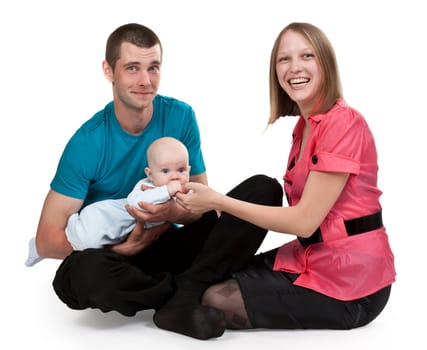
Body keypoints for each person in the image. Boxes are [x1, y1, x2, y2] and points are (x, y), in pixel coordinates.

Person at [33, 23, 283, 340]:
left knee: (264, 190)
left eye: (153, 67)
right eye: (132, 68)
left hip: (168, 241)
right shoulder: (87, 143)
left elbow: (202, 204)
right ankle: (186, 292)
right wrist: (128, 247)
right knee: (79, 277)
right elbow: (46, 241)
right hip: (116, 257)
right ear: (109, 71)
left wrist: (168, 217)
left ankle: (182, 294)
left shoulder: (180, 117)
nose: (145, 80)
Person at [176, 22, 396, 332]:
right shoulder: (304, 128)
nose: (294, 68)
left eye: (307, 56)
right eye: (284, 59)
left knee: (216, 298)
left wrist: (219, 200)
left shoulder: (343, 123)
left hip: (355, 283)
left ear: (326, 64)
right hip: (311, 256)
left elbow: (305, 221)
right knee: (215, 276)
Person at [26, 136, 190, 266]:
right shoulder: (146, 187)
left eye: (181, 170)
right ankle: (71, 223)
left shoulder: (184, 191)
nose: (175, 176)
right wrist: (167, 191)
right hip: (103, 217)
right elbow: (136, 203)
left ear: (189, 170)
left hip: (123, 234)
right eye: (165, 171)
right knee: (87, 244)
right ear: (150, 174)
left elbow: (194, 212)